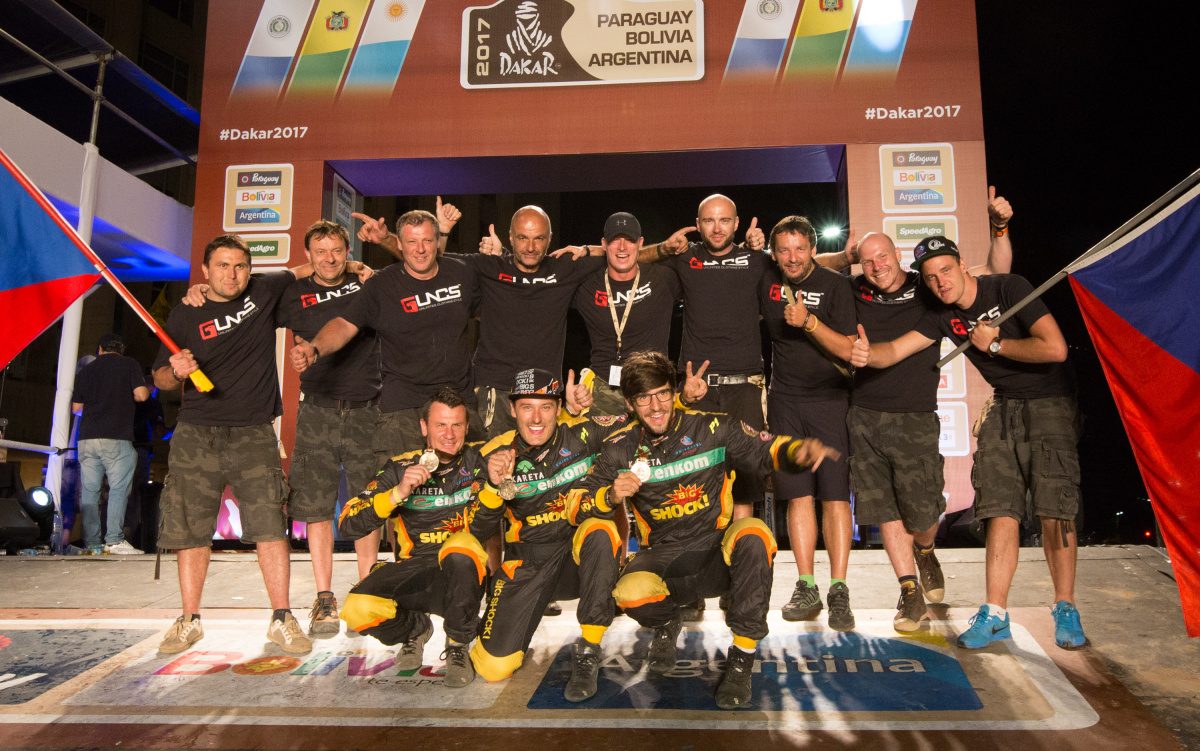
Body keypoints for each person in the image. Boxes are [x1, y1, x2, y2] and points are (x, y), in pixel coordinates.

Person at [851, 232, 1086, 650]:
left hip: (1050, 403)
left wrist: (995, 343)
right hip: (1002, 404)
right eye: (930, 276)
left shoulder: (1009, 288)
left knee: (1055, 511)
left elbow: (1056, 349)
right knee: (999, 510)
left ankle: (1065, 606)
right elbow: (894, 352)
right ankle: (995, 613)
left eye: (946, 270)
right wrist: (865, 354)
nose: (940, 281)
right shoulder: (942, 316)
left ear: (962, 265)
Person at [572, 350, 837, 709]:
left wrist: (796, 451)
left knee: (755, 533)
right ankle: (668, 622)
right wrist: (610, 495)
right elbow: (576, 503)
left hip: (715, 552)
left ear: (674, 392)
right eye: (644, 398)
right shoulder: (619, 447)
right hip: (663, 558)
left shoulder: (714, 426)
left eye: (663, 394)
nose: (656, 406)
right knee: (630, 592)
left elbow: (766, 448)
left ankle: (741, 659)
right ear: (630, 404)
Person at [152, 234, 362, 656]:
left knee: (269, 527)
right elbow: (160, 378)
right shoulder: (186, 312)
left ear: (250, 270)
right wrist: (175, 371)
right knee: (191, 531)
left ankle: (282, 618)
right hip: (196, 433)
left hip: (253, 432)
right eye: (222, 266)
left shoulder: (264, 292)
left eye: (240, 266)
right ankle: (189, 620)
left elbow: (309, 268)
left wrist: (356, 266)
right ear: (206, 271)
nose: (232, 275)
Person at [357, 206, 605, 438]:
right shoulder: (487, 266)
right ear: (510, 237)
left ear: (550, 238)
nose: (530, 247)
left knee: (542, 467)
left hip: (543, 392)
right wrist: (384, 239)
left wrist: (585, 249)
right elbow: (426, 258)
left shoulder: (565, 267)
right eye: (522, 238)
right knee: (490, 464)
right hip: (494, 391)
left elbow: (618, 253)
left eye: (539, 238)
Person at [461, 368, 633, 702]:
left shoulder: (583, 431)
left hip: (578, 558)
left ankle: (589, 650)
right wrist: (493, 487)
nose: (536, 418)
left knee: (599, 528)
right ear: (512, 409)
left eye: (546, 407)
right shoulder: (493, 452)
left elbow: (641, 421)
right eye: (527, 407)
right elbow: (476, 529)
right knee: (493, 668)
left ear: (558, 408)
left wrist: (683, 401)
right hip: (529, 562)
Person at [292, 210, 481, 458]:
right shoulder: (381, 285)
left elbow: (496, 311)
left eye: (427, 240)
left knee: (469, 480)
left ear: (438, 241)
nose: (420, 249)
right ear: (399, 244)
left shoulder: (462, 273)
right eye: (412, 241)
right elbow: (344, 324)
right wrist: (315, 348)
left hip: (458, 401)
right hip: (403, 407)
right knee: (399, 481)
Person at [274, 220, 384, 635]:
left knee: (367, 503)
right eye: (320, 252)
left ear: (348, 251)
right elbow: (247, 292)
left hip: (366, 409)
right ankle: (324, 597)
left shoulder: (367, 284)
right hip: (317, 410)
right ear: (308, 255)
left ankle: (367, 587)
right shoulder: (293, 293)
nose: (330, 259)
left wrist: (360, 268)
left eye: (337, 250)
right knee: (316, 507)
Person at [337, 387, 489, 686]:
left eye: (457, 425)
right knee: (356, 609)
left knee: (460, 545)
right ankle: (414, 629)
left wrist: (573, 411)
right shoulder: (400, 467)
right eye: (440, 425)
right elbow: (348, 523)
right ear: (423, 427)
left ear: (466, 427)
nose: (449, 434)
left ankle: (457, 645)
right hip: (414, 574)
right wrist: (398, 493)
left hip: (462, 575)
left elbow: (534, 434)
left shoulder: (481, 458)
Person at [758, 216, 857, 631]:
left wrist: (810, 322)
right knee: (797, 495)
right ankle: (806, 585)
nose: (792, 257)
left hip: (831, 401)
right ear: (774, 253)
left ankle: (839, 589)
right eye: (784, 250)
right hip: (785, 403)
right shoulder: (767, 280)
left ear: (814, 250)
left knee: (834, 496)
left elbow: (850, 349)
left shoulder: (836, 286)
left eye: (800, 248)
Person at [71, 333, 149, 555]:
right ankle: (114, 540)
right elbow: (141, 395)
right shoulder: (129, 364)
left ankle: (91, 543)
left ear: (100, 349)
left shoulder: (87, 370)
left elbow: (76, 408)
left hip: (87, 439)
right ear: (121, 350)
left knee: (89, 491)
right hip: (116, 437)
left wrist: (96, 409)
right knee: (118, 489)